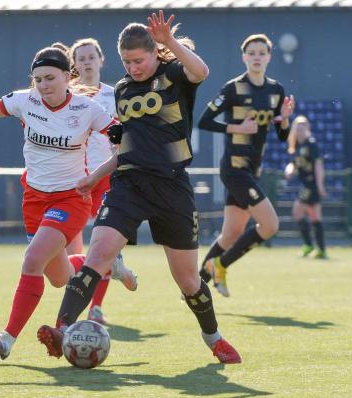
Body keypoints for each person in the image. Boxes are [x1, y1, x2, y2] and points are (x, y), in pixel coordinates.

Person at [37, 10, 242, 364]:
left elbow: (202, 72)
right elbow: (128, 145)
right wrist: (95, 174)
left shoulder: (175, 75)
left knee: (187, 279)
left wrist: (170, 43)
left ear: (153, 52)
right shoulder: (122, 89)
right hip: (128, 184)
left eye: (138, 60)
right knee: (97, 255)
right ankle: (62, 329)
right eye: (126, 62)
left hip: (171, 188)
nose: (132, 68)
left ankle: (214, 337)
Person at [0, 44, 136, 361]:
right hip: (34, 200)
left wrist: (119, 134)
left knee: (32, 259)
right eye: (38, 79)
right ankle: (101, 263)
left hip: (71, 199)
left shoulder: (85, 109)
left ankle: (7, 337)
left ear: (67, 75)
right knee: (60, 277)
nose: (44, 85)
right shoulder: (25, 101)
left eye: (50, 77)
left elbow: (118, 133)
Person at [197, 34, 295, 297]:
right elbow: (204, 121)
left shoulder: (276, 91)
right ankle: (220, 265)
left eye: (261, 52)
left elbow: (283, 137)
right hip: (234, 168)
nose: (256, 57)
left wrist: (285, 120)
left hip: (253, 170)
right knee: (270, 225)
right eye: (251, 52)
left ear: (269, 57)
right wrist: (236, 127)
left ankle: (195, 287)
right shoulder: (233, 88)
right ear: (244, 57)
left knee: (230, 233)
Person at [65, 37, 134, 325]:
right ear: (74, 64)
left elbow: (126, 136)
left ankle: (96, 307)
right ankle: (74, 307)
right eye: (80, 58)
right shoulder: (65, 96)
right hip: (70, 181)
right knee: (72, 254)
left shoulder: (115, 95)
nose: (86, 62)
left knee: (102, 249)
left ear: (102, 60)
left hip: (105, 179)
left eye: (91, 56)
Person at [284, 115, 328, 259]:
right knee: (310, 215)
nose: (300, 130)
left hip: (311, 184)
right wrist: (289, 169)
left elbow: (318, 165)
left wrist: (320, 185)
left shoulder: (311, 144)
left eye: (303, 127)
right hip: (305, 184)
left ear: (308, 128)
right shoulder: (296, 145)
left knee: (302, 212)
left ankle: (315, 247)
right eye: (298, 127)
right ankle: (316, 247)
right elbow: (295, 163)